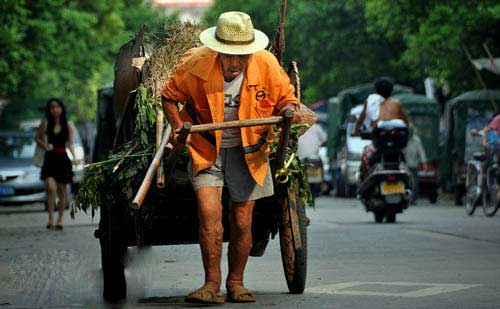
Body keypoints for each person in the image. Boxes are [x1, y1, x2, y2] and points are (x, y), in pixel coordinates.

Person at [161, 11, 300, 304]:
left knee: (241, 220)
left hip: (249, 151)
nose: (235, 63)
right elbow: (169, 96)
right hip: (206, 148)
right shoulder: (195, 63)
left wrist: (288, 111)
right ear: (217, 50)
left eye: (242, 56)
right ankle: (211, 284)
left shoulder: (266, 64)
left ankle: (236, 282)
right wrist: (177, 126)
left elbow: (287, 98)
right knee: (209, 216)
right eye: (229, 56)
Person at [352, 77, 409, 180]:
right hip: (397, 148)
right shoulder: (397, 103)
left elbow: (360, 120)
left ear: (376, 89)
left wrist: (355, 132)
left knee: (366, 153)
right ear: (391, 90)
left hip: (379, 146)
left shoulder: (370, 102)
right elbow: (406, 123)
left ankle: (362, 178)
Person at [35, 98, 77, 230]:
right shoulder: (45, 123)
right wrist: (45, 145)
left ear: (61, 108)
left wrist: (75, 157)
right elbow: (37, 138)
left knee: (63, 190)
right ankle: (50, 218)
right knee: (51, 187)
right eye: (52, 107)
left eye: (57, 107)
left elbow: (70, 143)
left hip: (63, 159)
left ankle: (59, 220)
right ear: (49, 109)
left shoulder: (68, 125)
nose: (55, 109)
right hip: (49, 159)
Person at [406, 127, 429, 204]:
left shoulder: (417, 140)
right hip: (404, 166)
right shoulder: (403, 139)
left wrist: (424, 163)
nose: (410, 132)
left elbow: (421, 152)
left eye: (411, 131)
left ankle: (413, 199)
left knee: (414, 183)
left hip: (413, 165)